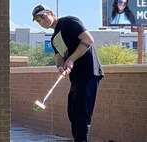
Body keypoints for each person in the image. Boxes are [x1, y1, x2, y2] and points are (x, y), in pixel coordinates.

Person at [32, 4, 104, 142]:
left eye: (43, 16)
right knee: (73, 113)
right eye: (38, 20)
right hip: (76, 77)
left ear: (50, 12)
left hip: (89, 73)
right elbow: (59, 57)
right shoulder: (54, 39)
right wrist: (60, 67)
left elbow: (88, 39)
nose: (42, 21)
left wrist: (71, 59)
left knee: (81, 114)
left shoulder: (69, 22)